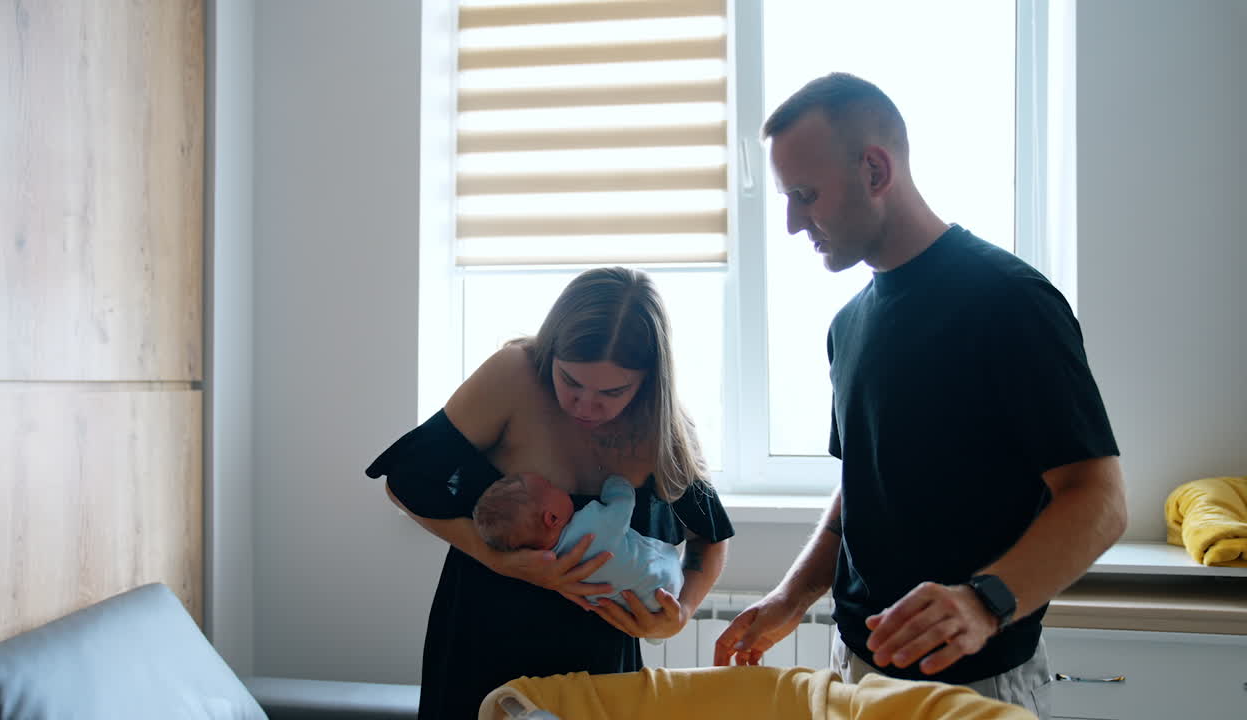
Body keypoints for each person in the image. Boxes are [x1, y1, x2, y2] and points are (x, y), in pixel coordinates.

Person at [712, 72, 1126, 719]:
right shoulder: (847, 326)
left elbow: (1099, 498)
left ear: (876, 170)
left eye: (804, 195)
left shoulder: (1010, 302)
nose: (792, 223)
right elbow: (862, 485)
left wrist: (985, 601)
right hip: (854, 667)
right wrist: (792, 597)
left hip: (970, 684)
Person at [366, 266, 734, 719]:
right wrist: (495, 557)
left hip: (598, 668)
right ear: (551, 353)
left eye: (612, 392)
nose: (585, 406)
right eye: (570, 381)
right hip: (484, 641)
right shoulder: (513, 376)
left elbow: (710, 542)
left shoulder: (661, 426)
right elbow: (404, 485)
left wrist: (680, 614)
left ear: (647, 382)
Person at [473, 472, 684, 613]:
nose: (560, 487)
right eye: (552, 486)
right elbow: (623, 504)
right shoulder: (592, 523)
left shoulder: (549, 569)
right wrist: (616, 483)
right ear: (552, 518)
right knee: (664, 558)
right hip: (665, 580)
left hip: (635, 609)